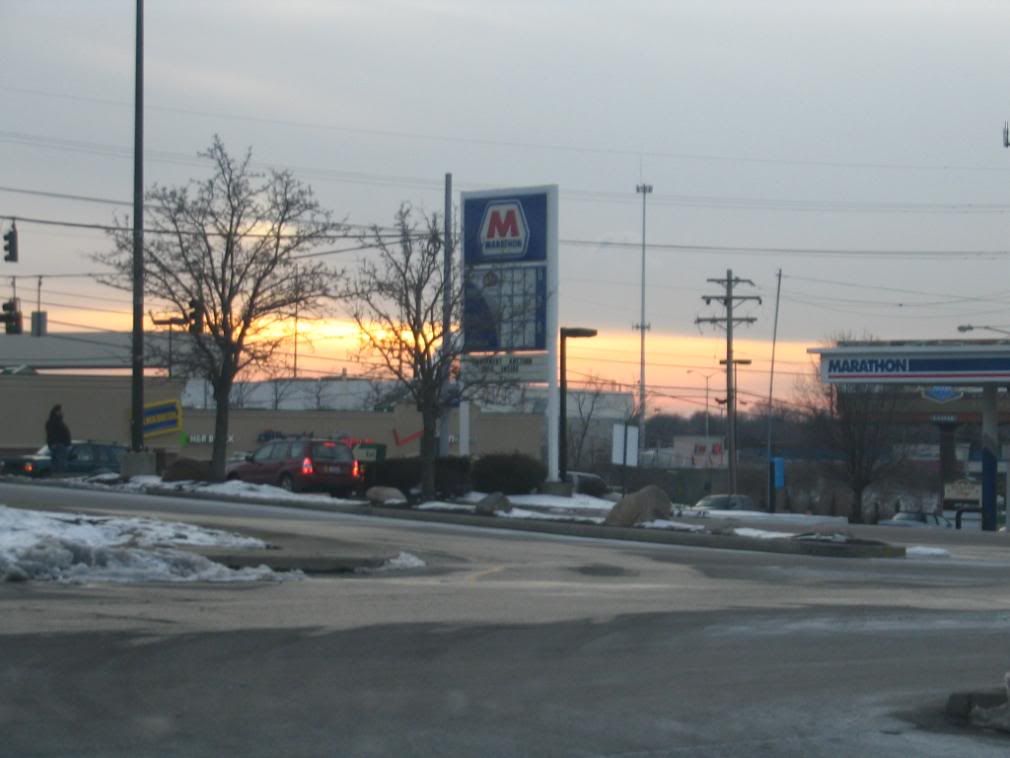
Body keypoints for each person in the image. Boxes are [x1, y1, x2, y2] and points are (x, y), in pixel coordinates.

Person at [45, 404, 71, 474]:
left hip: (61, 445)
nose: (62, 412)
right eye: (60, 411)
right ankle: (58, 476)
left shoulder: (58, 422)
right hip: (59, 445)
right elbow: (52, 434)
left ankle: (58, 474)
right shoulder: (54, 422)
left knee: (59, 462)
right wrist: (54, 443)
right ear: (56, 412)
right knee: (60, 464)